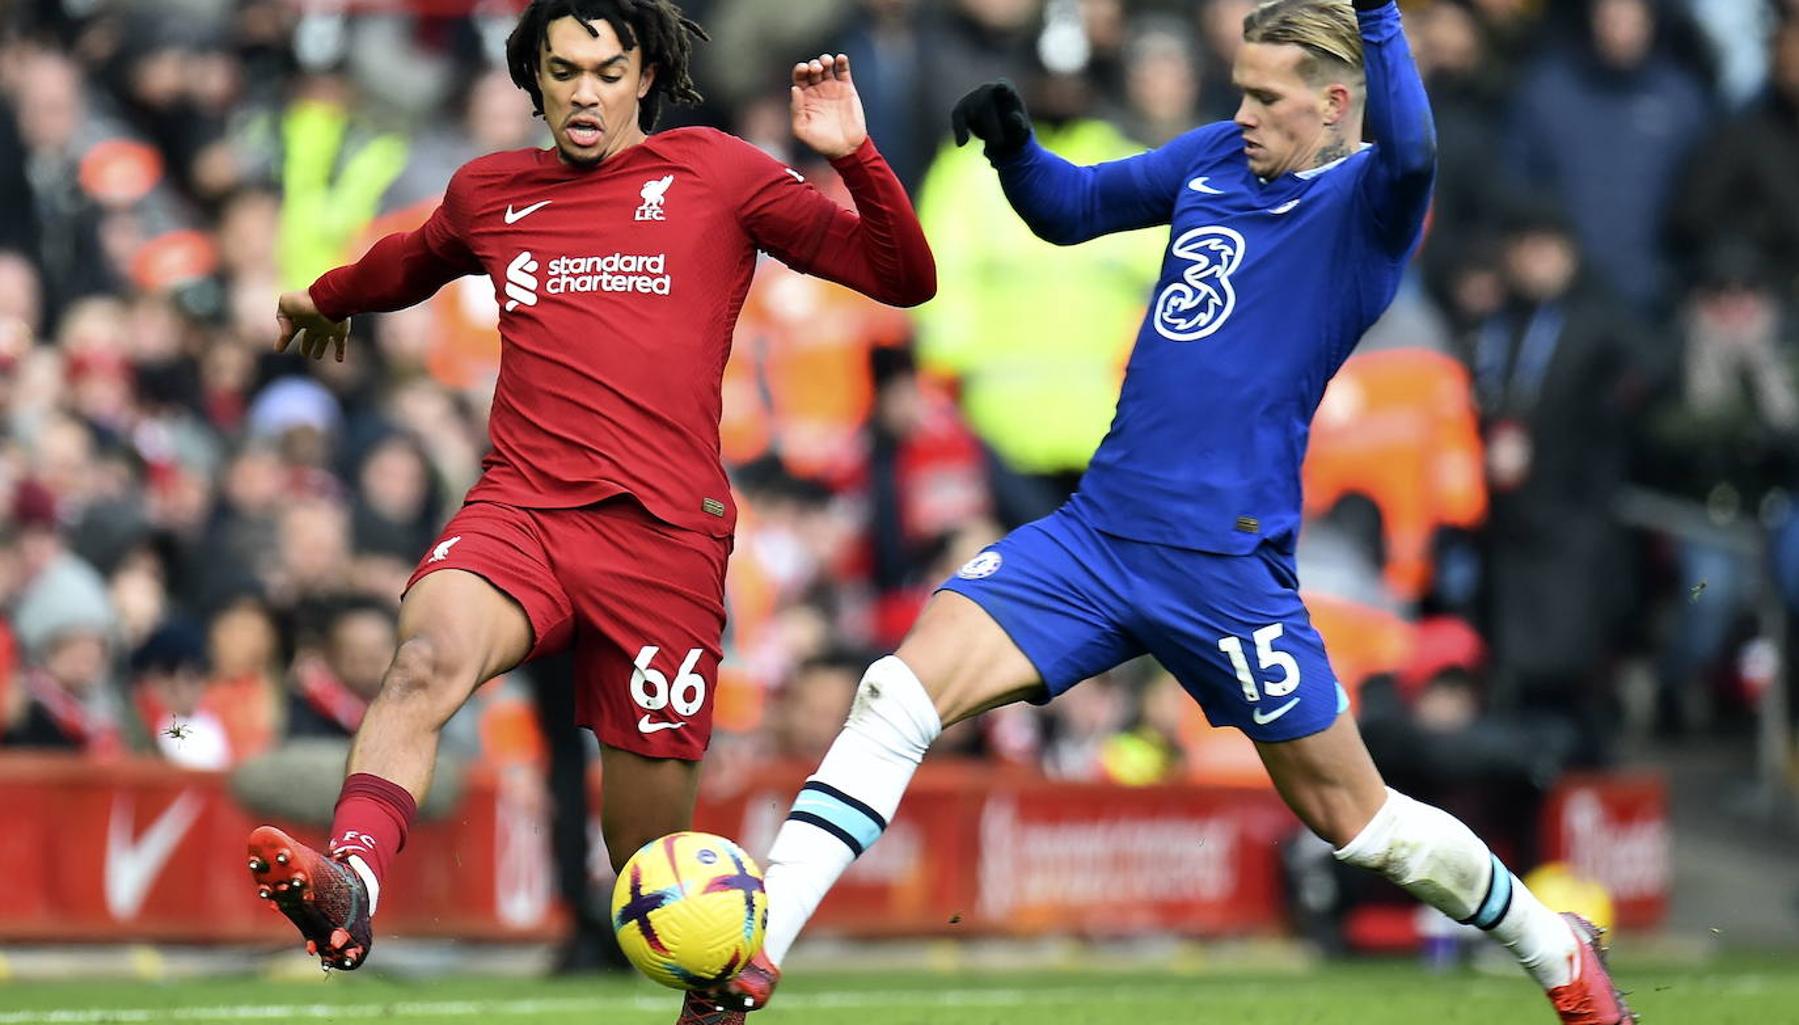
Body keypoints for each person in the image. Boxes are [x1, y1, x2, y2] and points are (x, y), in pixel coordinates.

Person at [715, 3, 1634, 1025]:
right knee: (895, 691)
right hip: (1097, 534)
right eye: (1235, 87)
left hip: (1220, 565)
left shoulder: (1372, 196)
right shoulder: (1212, 159)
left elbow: (1413, 136)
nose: (1238, 112)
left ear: (1333, 105)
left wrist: (1373, 11)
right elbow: (1070, 209)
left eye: (1263, 97)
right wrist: (1017, 149)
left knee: (1359, 820)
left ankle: (1552, 948)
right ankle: (750, 957)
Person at [242, 1, 932, 1019]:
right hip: (521, 509)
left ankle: (713, 991)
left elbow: (899, 276)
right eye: (562, 70)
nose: (583, 91)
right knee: (423, 658)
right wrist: (329, 294)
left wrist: (858, 154)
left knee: (652, 871)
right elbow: (411, 259)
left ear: (645, 73)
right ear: (534, 77)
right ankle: (353, 880)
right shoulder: (493, 192)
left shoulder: (720, 173)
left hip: (663, 539)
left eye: (605, 71)